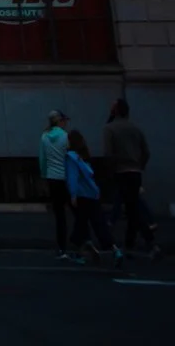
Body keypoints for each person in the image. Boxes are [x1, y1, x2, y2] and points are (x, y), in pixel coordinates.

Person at [102, 99, 157, 255]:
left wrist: (110, 171)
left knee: (132, 208)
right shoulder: (135, 128)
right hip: (135, 171)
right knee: (132, 207)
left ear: (115, 111)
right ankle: (130, 244)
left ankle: (151, 242)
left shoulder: (109, 129)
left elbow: (108, 154)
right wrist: (140, 166)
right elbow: (146, 152)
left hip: (121, 172)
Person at [65, 130, 123, 265]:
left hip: (81, 195)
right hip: (92, 195)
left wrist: (72, 194)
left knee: (81, 224)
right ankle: (115, 250)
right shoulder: (84, 157)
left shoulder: (70, 157)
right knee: (99, 225)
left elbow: (72, 177)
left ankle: (80, 250)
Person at [38, 109, 71, 256]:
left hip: (52, 177)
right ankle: (81, 241)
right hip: (66, 177)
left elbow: (43, 159)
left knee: (59, 214)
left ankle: (62, 246)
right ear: (60, 121)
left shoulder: (44, 137)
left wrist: (44, 176)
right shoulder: (66, 136)